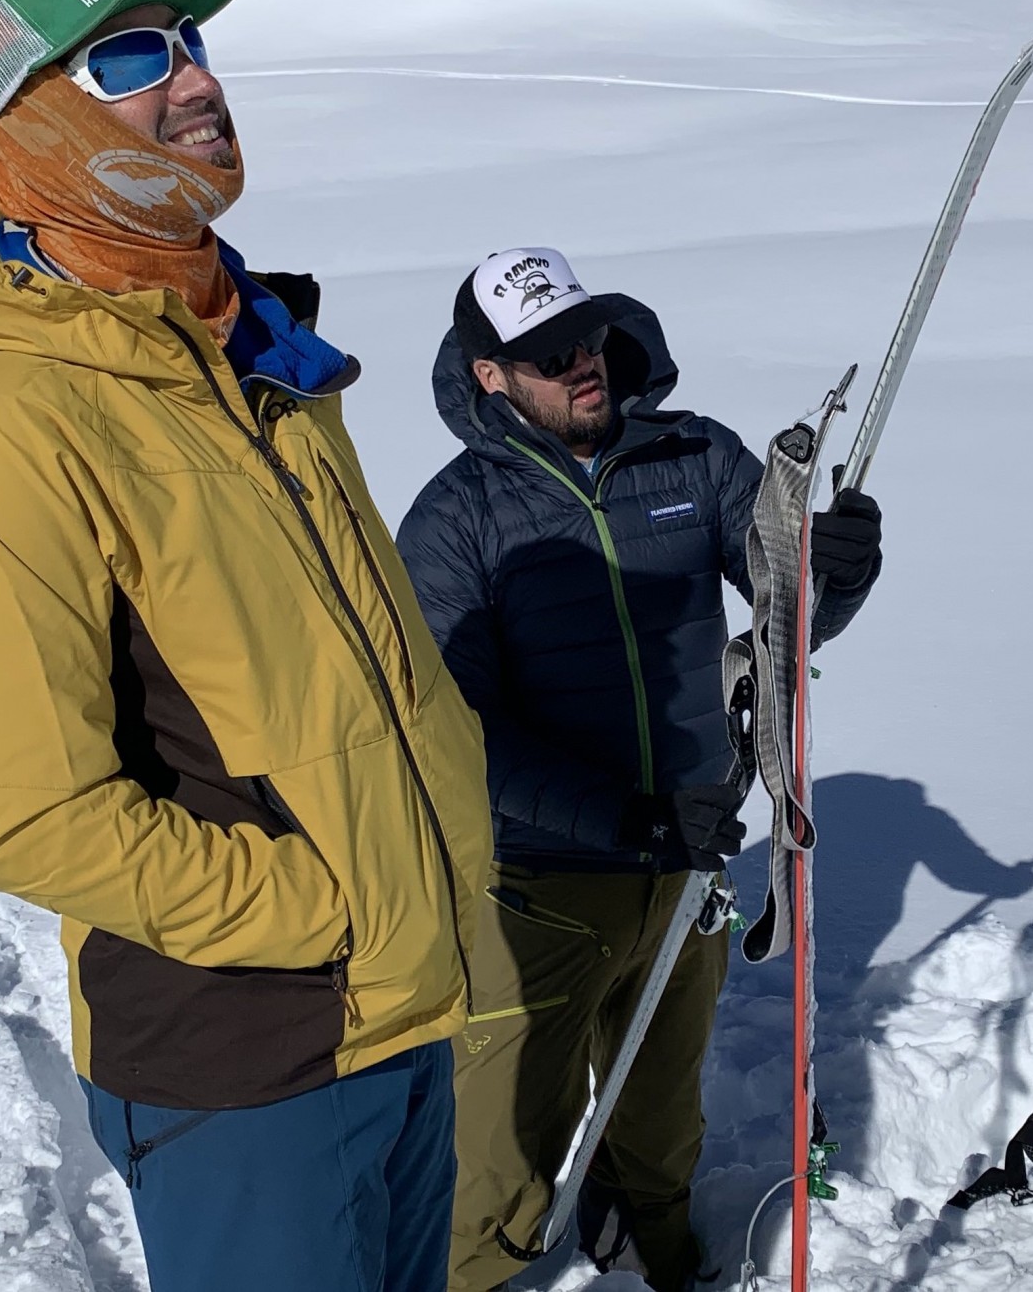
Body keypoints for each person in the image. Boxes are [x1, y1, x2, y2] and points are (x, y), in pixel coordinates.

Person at [0, 0, 491, 1292]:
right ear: (25, 127)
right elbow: (34, 816)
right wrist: (322, 908)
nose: (196, 81)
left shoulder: (258, 363)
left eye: (192, 43)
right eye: (132, 58)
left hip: (404, 1008)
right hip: (247, 1062)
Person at [395, 248, 884, 1290]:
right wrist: (624, 818)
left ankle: (651, 1247)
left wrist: (836, 573)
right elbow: (454, 732)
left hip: (683, 875)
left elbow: (789, 614)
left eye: (588, 336)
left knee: (659, 1126)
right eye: (548, 355)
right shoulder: (454, 519)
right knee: (498, 1158)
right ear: (490, 375)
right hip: (533, 892)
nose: (584, 363)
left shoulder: (693, 456)